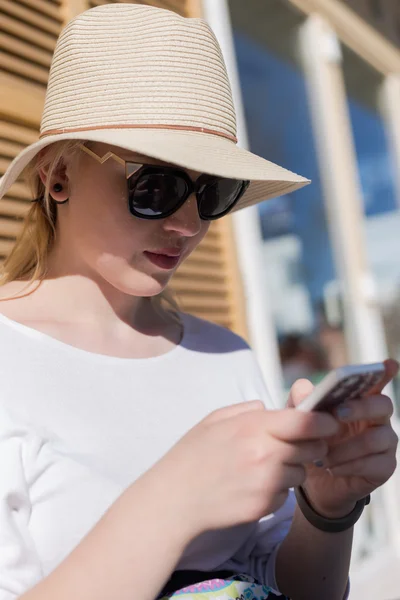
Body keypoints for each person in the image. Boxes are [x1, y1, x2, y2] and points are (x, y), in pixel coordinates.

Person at [0, 4, 398, 600]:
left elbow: (296, 587)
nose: (189, 223)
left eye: (212, 192)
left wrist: (325, 506)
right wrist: (171, 503)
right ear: (57, 177)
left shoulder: (226, 355)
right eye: (155, 186)